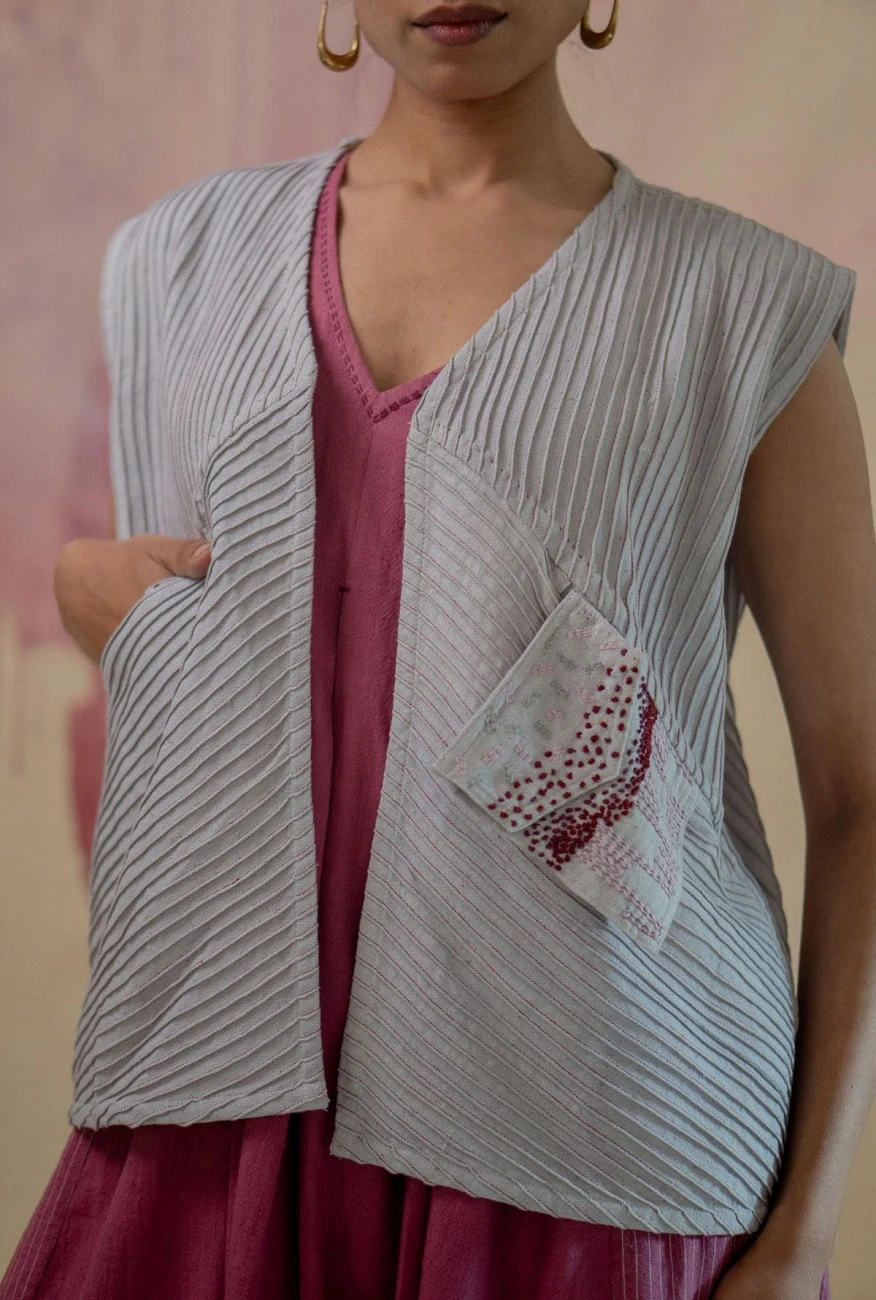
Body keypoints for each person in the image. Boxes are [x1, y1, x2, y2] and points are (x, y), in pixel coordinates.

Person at [3, 2, 872, 1297]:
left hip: (590, 1143)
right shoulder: (179, 261)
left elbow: (861, 793)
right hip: (223, 1109)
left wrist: (806, 1234)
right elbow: (215, 657)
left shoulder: (742, 309)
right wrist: (93, 598)